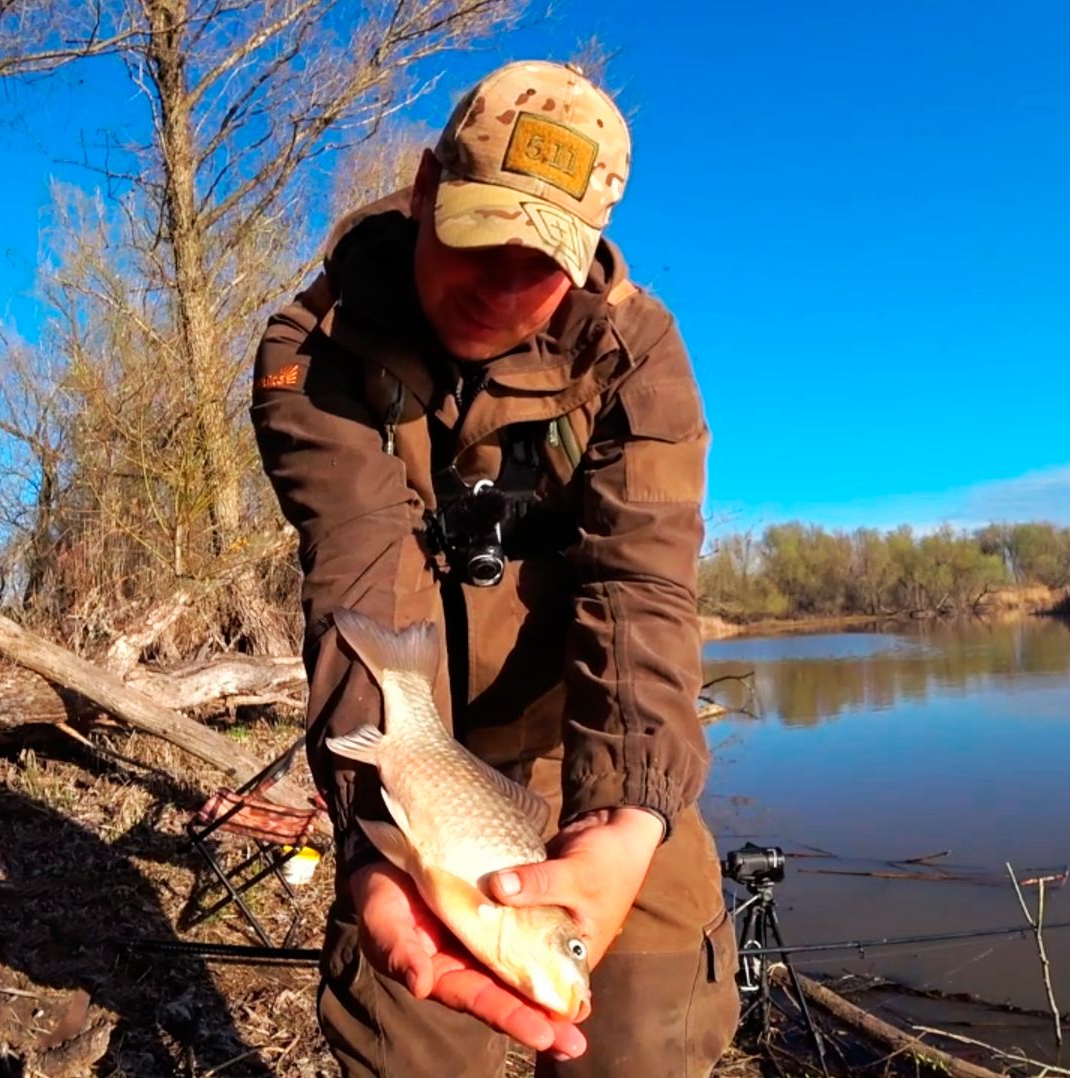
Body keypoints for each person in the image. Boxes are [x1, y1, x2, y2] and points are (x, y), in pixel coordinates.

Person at [249, 58, 739, 1076]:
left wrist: (630, 814)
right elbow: (362, 584)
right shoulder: (318, 348)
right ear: (428, 189)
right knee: (408, 1032)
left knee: (646, 1040)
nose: (505, 288)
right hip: (426, 748)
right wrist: (377, 818)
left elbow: (642, 594)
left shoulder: (636, 359)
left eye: (545, 261)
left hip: (595, 737)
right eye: (482, 239)